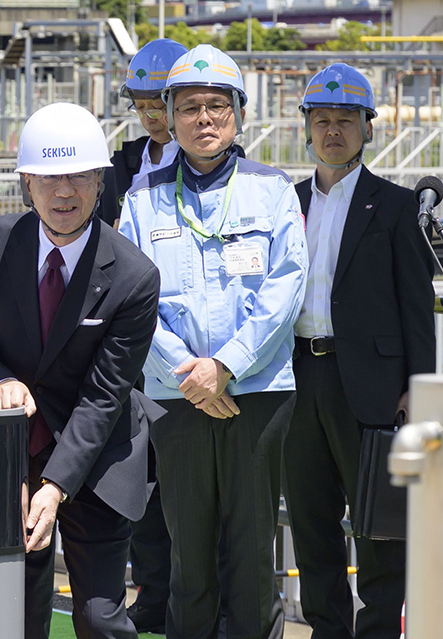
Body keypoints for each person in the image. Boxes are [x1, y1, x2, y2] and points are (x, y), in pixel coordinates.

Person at [117, 45, 308, 639]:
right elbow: (131, 299)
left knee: (252, 552)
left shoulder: (272, 190)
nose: (204, 119)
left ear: (239, 115)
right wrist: (191, 374)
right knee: (188, 553)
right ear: (168, 116)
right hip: (176, 396)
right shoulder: (141, 198)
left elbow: (287, 287)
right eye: (190, 107)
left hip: (258, 394)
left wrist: (225, 366)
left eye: (217, 107)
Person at [0, 101, 163, 639]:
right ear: (26, 182)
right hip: (13, 447)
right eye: (49, 177)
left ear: (99, 182)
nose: (63, 191)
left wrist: (54, 486)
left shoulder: (134, 276)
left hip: (94, 456)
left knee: (99, 616)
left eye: (77, 176)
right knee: (15, 608)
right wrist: (1, 382)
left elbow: (104, 396)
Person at [282, 63, 435, 639]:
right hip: (300, 380)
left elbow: (417, 310)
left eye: (346, 120)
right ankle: (326, 629)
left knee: (379, 529)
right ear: (306, 128)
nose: (333, 132)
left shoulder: (394, 207)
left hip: (372, 389)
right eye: (321, 121)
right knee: (311, 519)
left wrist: (416, 391)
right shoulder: (284, 203)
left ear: (368, 128)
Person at [101, 37, 187, 635]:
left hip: (189, 356)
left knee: (195, 488)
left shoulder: (215, 163)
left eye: (164, 100)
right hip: (128, 350)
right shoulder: (116, 169)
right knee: (141, 483)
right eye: (143, 100)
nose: (153, 113)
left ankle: (199, 601)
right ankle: (153, 597)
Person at [99, 38, 186, 233]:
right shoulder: (119, 167)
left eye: (156, 109)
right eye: (139, 108)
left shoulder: (207, 167)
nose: (148, 120)